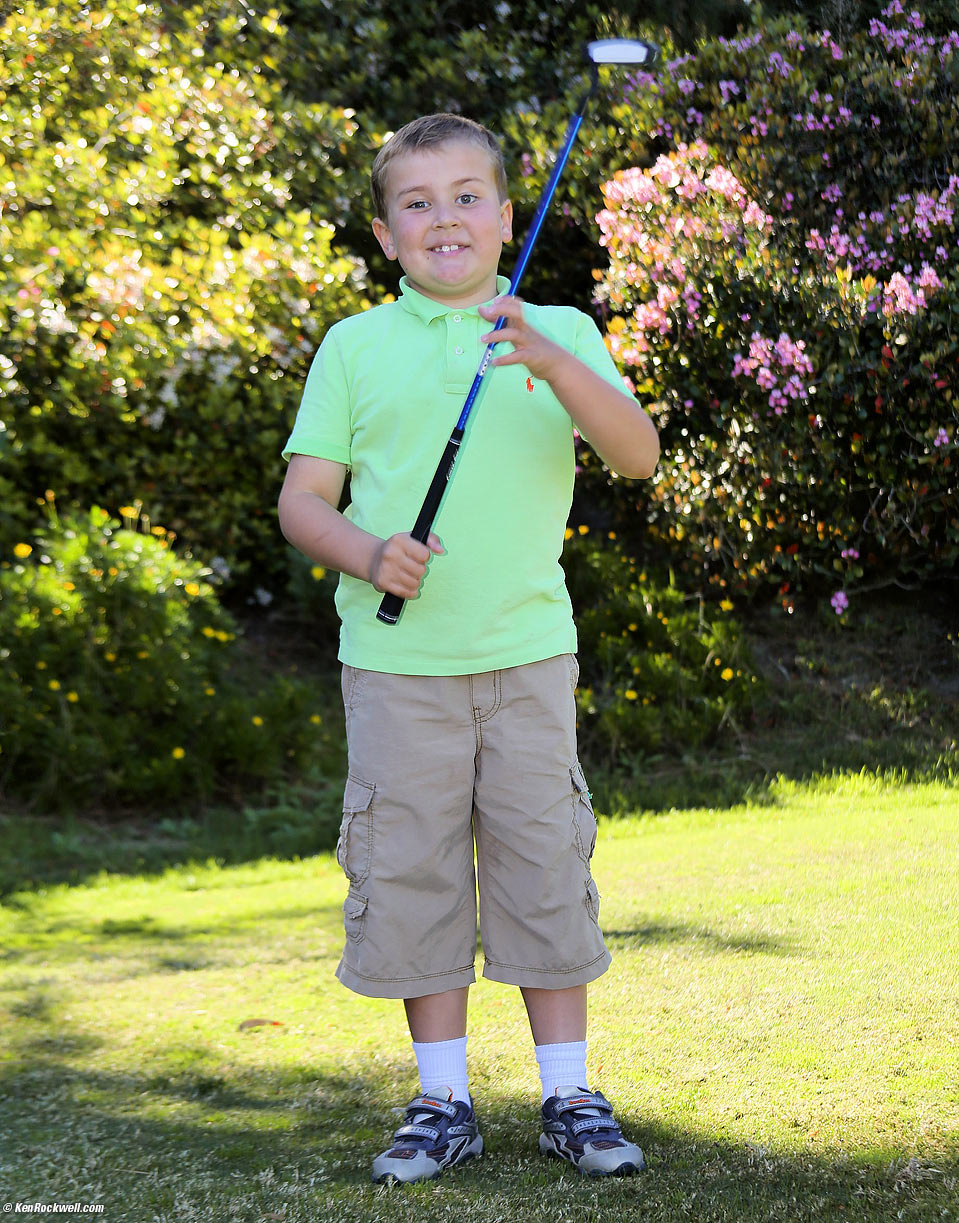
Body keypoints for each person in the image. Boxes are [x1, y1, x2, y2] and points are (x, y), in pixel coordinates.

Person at [278, 112, 659, 1184]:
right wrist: (368, 553)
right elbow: (302, 501)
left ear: (504, 217)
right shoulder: (355, 346)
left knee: (544, 864)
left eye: (465, 196)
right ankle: (442, 1098)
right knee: (412, 872)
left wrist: (548, 357)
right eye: (416, 202)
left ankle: (568, 1091)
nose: (443, 217)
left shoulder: (561, 330)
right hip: (397, 670)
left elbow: (637, 455)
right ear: (385, 234)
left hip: (529, 656)